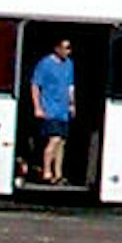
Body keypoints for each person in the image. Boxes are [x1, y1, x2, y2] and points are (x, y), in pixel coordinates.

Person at [26, 35, 76, 188]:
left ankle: (58, 173)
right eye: (65, 48)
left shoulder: (69, 64)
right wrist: (37, 107)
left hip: (63, 109)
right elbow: (35, 85)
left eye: (69, 48)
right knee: (53, 140)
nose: (68, 51)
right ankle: (46, 171)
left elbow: (70, 86)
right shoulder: (45, 64)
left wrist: (72, 104)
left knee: (61, 142)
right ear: (57, 48)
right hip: (50, 108)